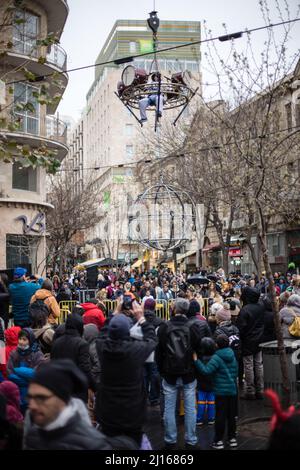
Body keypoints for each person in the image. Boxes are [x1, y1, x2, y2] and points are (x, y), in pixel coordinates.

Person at [95, 302, 157, 448]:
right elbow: (152, 339)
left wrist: (114, 313)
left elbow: (102, 333)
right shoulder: (135, 349)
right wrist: (141, 318)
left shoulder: (102, 347)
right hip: (133, 412)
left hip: (108, 411)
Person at [23, 359, 114, 450]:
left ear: (62, 399)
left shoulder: (94, 445)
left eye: (41, 398)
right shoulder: (33, 435)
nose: (32, 406)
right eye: (30, 397)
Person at [156, 298, 199, 450]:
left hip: (169, 374)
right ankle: (191, 440)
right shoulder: (193, 327)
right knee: (190, 408)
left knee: (169, 408)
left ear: (174, 309)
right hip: (188, 374)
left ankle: (170, 440)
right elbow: (197, 349)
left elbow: (159, 352)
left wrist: (162, 370)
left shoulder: (164, 327)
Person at [193, 335, 238, 450]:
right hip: (232, 391)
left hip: (220, 392)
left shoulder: (216, 357)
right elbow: (236, 371)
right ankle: (232, 439)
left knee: (220, 416)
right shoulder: (233, 355)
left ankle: (218, 441)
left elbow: (206, 371)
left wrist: (196, 361)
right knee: (231, 416)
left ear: (216, 345)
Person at [51, 314, 93, 402]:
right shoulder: (82, 344)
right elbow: (85, 368)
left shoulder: (56, 342)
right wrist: (94, 387)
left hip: (59, 388)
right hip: (77, 390)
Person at [236, 286, 265, 400]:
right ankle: (260, 390)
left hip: (248, 340)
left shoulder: (245, 310)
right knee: (258, 364)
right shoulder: (261, 306)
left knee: (248, 365)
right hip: (259, 339)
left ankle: (250, 391)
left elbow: (240, 328)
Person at [7, 328, 45, 413]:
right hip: (16, 393)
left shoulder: (37, 354)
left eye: (24, 339)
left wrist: (18, 371)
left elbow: (38, 373)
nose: (21, 342)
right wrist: (27, 380)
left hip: (33, 393)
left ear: (30, 340)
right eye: (20, 339)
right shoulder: (14, 353)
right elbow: (9, 372)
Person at [196, 337, 216, 426]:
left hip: (201, 384)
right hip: (213, 383)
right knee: (212, 402)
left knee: (201, 402)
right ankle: (211, 418)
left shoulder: (199, 359)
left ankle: (199, 419)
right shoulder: (215, 358)